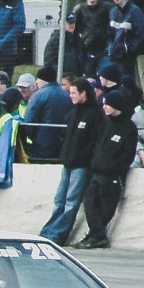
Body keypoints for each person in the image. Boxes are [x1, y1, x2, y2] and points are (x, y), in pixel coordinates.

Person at [39, 78, 102, 244]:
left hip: (81, 165)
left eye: (74, 93)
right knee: (59, 200)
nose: (71, 96)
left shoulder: (94, 114)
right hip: (68, 163)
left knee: (71, 202)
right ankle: (47, 232)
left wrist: (83, 157)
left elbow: (93, 141)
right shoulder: (73, 113)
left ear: (84, 94)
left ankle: (57, 235)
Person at [73, 90, 139, 249]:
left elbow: (127, 154)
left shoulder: (128, 127)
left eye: (107, 104)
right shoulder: (105, 122)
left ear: (115, 105)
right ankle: (97, 236)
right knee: (89, 203)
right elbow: (96, 145)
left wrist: (114, 167)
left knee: (105, 209)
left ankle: (96, 237)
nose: (104, 108)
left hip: (112, 176)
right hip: (97, 172)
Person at [24, 66, 72, 160]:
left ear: (43, 80)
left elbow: (29, 121)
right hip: (62, 145)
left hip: (41, 145)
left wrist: (34, 137)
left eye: (38, 79)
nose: (37, 82)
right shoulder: (67, 96)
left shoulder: (38, 95)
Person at [104, 0, 144, 81]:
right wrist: (110, 48)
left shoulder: (134, 11)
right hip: (114, 54)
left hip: (127, 56)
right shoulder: (113, 12)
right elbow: (110, 34)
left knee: (126, 82)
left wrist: (128, 49)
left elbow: (141, 35)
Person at [73, 0, 111, 78]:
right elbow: (73, 27)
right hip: (87, 50)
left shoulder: (107, 7)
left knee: (105, 76)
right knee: (89, 78)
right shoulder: (79, 9)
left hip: (104, 49)